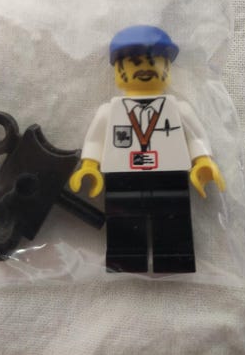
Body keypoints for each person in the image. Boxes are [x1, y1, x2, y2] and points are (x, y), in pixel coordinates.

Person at [69, 25, 225, 273]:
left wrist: (203, 161)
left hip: (170, 174)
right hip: (122, 176)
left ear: (167, 68)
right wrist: (89, 166)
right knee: (124, 219)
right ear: (118, 70)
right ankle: (126, 261)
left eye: (153, 61)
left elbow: (195, 136)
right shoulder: (109, 112)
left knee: (173, 217)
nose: (144, 68)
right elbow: (95, 142)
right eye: (133, 63)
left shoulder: (179, 109)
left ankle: (175, 259)